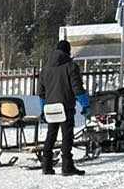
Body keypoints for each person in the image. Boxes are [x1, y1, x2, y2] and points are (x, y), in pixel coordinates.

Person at [35, 40, 90, 176]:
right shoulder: (71, 67)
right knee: (67, 135)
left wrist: (43, 109)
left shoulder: (44, 70)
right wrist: (86, 105)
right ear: (68, 51)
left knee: (51, 135)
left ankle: (46, 165)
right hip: (65, 107)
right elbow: (77, 89)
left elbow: (41, 93)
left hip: (50, 108)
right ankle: (67, 166)